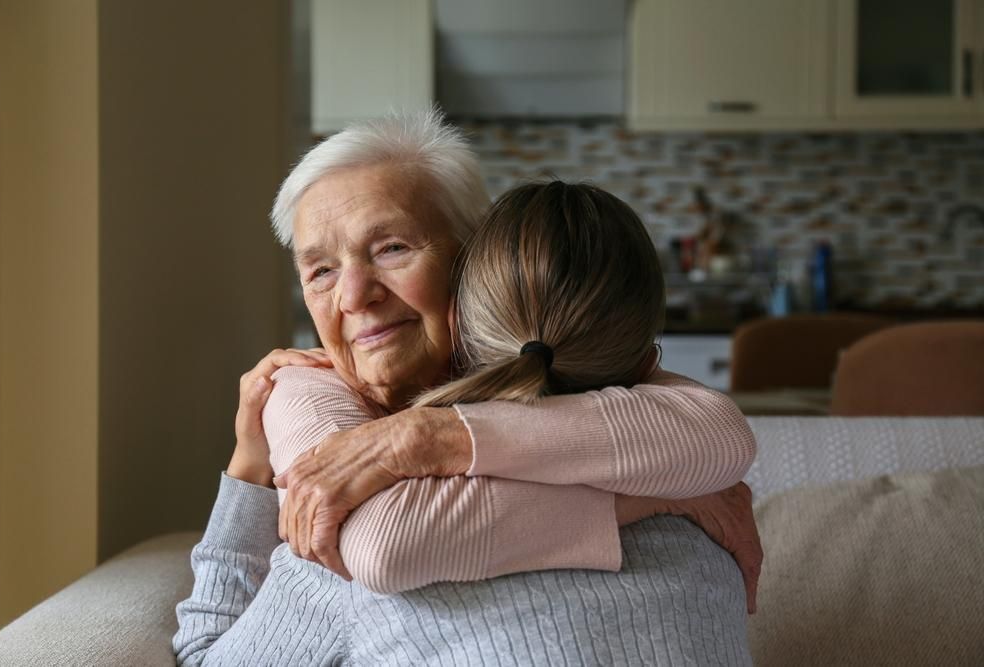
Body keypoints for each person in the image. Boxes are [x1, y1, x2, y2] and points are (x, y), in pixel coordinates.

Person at [174, 112, 759, 665]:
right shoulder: (674, 471)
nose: (354, 295)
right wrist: (663, 498)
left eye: (392, 248)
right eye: (321, 270)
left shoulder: (345, 532)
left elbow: (204, 655)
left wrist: (250, 472)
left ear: (474, 264)